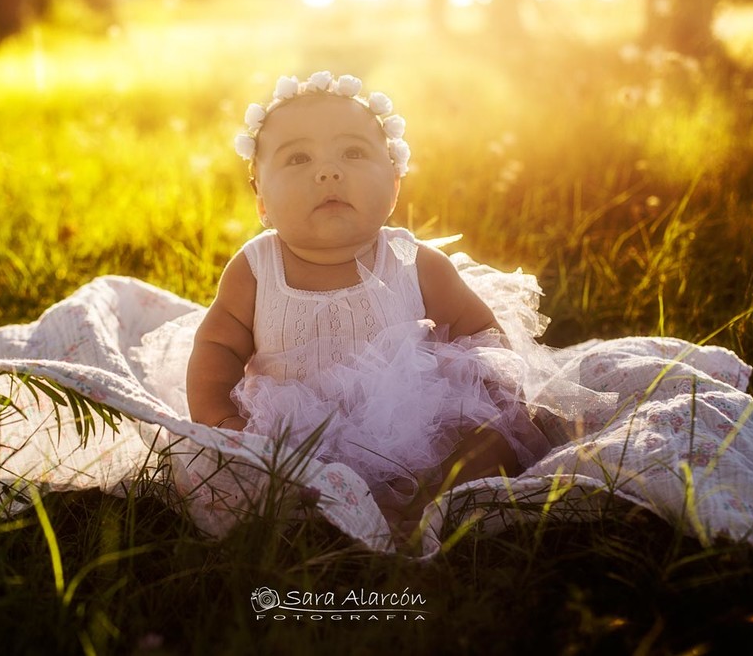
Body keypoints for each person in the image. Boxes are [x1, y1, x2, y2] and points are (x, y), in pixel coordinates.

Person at [185, 71, 552, 532]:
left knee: (486, 439)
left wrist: (491, 385)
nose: (328, 171)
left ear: (395, 183)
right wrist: (221, 418)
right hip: (292, 434)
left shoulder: (415, 262)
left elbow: (478, 330)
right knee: (253, 480)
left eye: (353, 152)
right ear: (261, 199)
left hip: (416, 427)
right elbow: (217, 346)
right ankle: (327, 515)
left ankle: (434, 511)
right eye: (298, 158)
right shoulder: (255, 269)